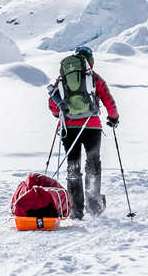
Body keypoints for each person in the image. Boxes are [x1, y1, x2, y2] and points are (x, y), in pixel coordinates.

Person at [47, 45, 119, 219]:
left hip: (69, 128)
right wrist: (113, 118)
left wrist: (63, 113)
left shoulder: (63, 79)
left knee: (73, 166)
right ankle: (94, 206)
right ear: (90, 61)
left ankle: (75, 209)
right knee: (93, 164)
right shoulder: (94, 78)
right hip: (92, 126)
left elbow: (52, 104)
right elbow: (107, 98)